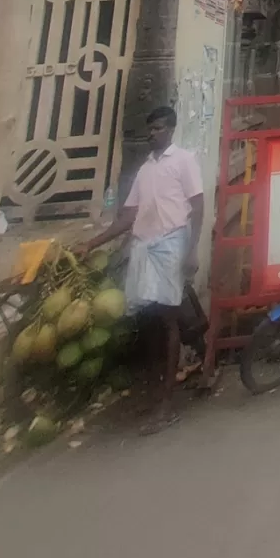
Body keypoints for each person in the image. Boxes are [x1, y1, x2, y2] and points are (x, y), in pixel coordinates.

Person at [80, 106, 204, 433]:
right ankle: (158, 390)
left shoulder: (183, 160)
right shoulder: (145, 170)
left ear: (171, 129)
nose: (153, 134)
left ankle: (166, 404)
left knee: (168, 318)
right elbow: (127, 216)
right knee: (148, 319)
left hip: (172, 242)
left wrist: (192, 249)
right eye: (150, 129)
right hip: (145, 247)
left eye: (159, 128)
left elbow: (198, 205)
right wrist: (92, 244)